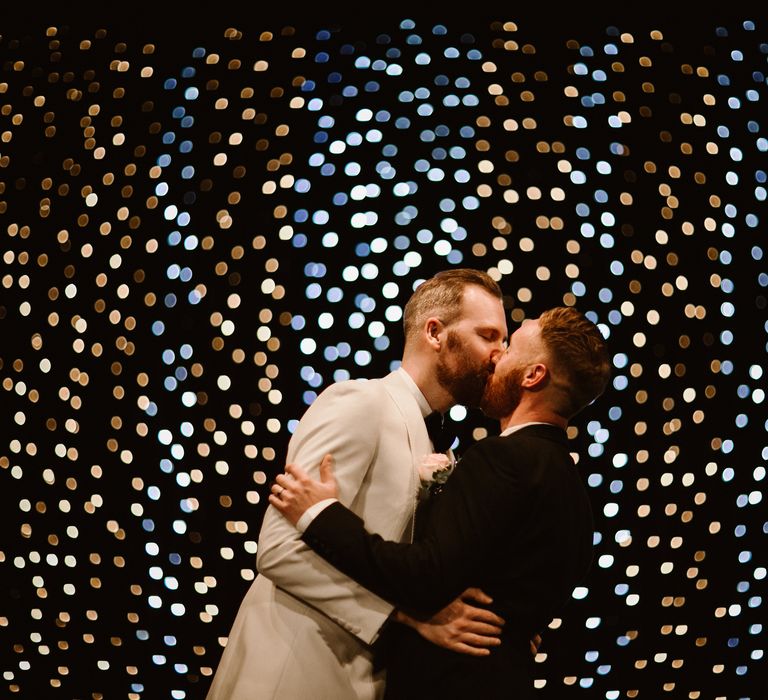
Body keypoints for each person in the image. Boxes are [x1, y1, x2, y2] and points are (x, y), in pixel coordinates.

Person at [269, 306, 611, 699]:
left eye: (510, 345)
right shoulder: (575, 494)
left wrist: (321, 514)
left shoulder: (505, 458)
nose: (496, 356)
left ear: (533, 375)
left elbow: (426, 575)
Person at [206, 268, 509, 700]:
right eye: (489, 336)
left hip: (361, 678)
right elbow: (278, 548)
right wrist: (406, 616)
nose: (500, 354)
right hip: (290, 668)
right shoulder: (360, 402)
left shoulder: (436, 438)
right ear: (435, 332)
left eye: (504, 341)